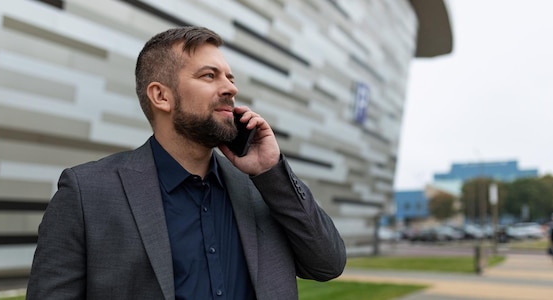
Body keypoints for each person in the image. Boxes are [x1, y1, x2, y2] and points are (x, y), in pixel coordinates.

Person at [26, 26, 346, 299]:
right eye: (210, 76)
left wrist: (271, 171)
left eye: (230, 78)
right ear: (161, 96)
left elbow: (327, 264)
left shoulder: (262, 187)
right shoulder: (86, 193)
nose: (231, 88)